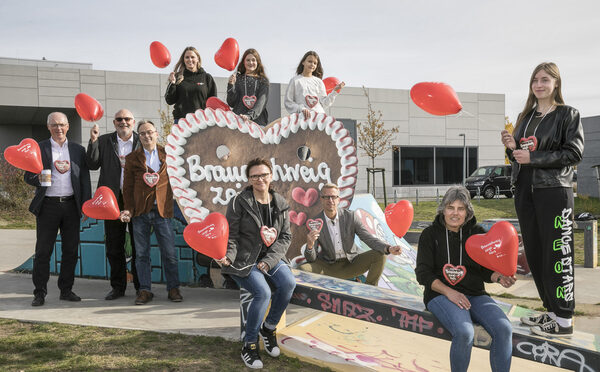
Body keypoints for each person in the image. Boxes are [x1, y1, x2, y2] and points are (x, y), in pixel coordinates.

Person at [500, 62, 584, 337]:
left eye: (545, 79)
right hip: (526, 192)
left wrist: (533, 158)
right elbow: (519, 157)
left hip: (554, 192)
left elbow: (573, 153)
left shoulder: (567, 115)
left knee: (558, 254)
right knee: (535, 256)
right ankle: (550, 313)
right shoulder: (525, 117)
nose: (539, 84)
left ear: (556, 84)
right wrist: (512, 148)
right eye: (535, 79)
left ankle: (564, 320)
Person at [415, 185, 516, 372]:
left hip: (475, 294)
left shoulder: (476, 232)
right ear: (443, 209)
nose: (455, 213)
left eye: (460, 208)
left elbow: (483, 270)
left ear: (467, 211)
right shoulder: (430, 235)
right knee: (464, 331)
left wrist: (499, 277)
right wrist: (449, 292)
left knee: (504, 329)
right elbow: (423, 274)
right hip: (440, 295)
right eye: (450, 208)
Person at [217, 158, 296, 369]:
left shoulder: (280, 203)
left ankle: (268, 328)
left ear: (271, 176)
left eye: (263, 175)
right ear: (249, 179)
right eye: (255, 176)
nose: (260, 179)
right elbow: (231, 236)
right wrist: (228, 257)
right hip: (244, 259)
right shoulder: (238, 201)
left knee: (288, 283)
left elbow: (285, 237)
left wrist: (269, 262)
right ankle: (249, 345)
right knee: (263, 292)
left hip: (270, 257)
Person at [25, 112, 91, 306]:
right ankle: (39, 293)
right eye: (54, 125)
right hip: (48, 206)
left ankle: (66, 290)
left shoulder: (78, 150)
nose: (58, 128)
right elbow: (27, 176)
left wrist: (85, 205)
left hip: (72, 205)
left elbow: (85, 179)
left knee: (70, 250)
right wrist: (38, 178)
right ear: (48, 127)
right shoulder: (40, 148)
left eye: (62, 124)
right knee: (43, 251)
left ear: (68, 126)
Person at [121, 120, 182, 305]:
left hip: (163, 211)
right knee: (141, 255)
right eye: (142, 133)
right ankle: (145, 290)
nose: (147, 136)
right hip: (140, 212)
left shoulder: (169, 154)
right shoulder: (132, 158)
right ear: (138, 136)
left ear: (156, 134)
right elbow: (128, 187)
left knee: (169, 253)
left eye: (149, 132)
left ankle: (173, 288)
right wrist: (128, 210)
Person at [298, 183, 402, 285]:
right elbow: (311, 259)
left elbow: (368, 238)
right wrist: (310, 246)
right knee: (302, 269)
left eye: (333, 197)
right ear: (321, 199)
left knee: (380, 256)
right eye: (326, 197)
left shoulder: (350, 217)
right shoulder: (316, 222)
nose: (330, 200)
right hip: (328, 266)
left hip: (351, 264)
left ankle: (370, 290)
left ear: (339, 199)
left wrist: (388, 248)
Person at [86, 109, 140, 300]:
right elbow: (92, 164)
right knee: (114, 245)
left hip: (136, 199)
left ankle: (141, 287)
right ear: (114, 122)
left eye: (127, 119)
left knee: (139, 244)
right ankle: (118, 287)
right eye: (119, 119)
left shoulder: (142, 141)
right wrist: (92, 141)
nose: (123, 122)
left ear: (133, 122)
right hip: (111, 200)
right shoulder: (105, 140)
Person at [284, 50, 345, 117]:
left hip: (319, 119)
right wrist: (301, 109)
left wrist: (335, 91)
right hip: (302, 120)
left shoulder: (319, 82)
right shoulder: (295, 81)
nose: (312, 64)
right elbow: (288, 102)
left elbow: (324, 103)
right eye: (310, 61)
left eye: (315, 63)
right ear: (303, 62)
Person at [165, 46, 217, 122]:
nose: (190, 60)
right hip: (182, 121)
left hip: (202, 121)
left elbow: (213, 102)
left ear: (197, 59)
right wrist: (172, 84)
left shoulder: (207, 78)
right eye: (187, 57)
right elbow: (169, 100)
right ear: (183, 60)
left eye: (192, 57)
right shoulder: (177, 77)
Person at [226, 48, 270, 126]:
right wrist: (231, 85)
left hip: (257, 123)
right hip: (238, 122)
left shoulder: (263, 81)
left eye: (253, 60)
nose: (251, 62)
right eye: (248, 60)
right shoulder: (238, 78)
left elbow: (261, 102)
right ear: (243, 62)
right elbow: (231, 103)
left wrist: (249, 116)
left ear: (258, 62)